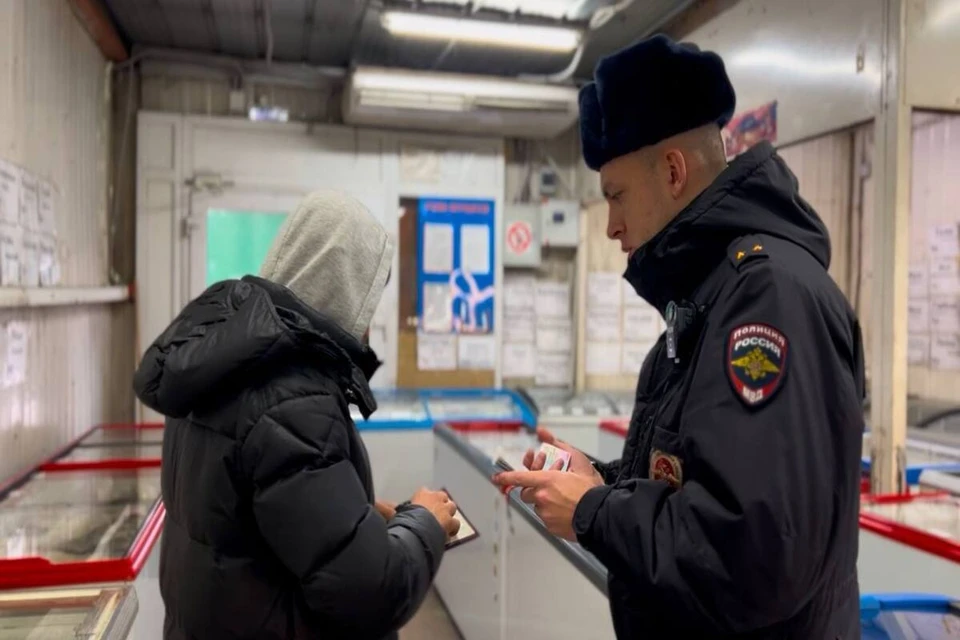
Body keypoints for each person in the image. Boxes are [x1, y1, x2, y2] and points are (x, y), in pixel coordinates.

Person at [494, 35, 865, 639]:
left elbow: (754, 557)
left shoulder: (766, 299)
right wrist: (601, 480)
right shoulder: (713, 297)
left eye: (616, 195)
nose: (611, 226)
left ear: (672, 171)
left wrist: (593, 512)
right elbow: (697, 482)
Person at [133, 190, 460, 640]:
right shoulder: (292, 397)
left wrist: (357, 513)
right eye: (368, 299)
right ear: (344, 289)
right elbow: (372, 591)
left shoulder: (213, 365)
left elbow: (251, 512)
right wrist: (425, 521)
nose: (368, 322)